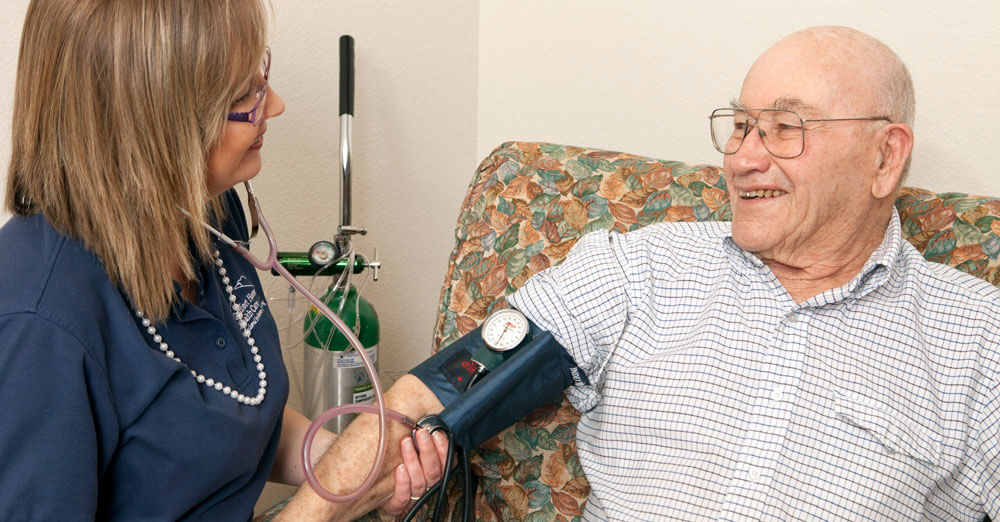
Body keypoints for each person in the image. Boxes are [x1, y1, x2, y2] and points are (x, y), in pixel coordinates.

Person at [280, 26, 1000, 521]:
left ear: (885, 157)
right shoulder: (639, 269)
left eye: (785, 128)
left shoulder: (978, 340)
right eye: (742, 126)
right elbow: (429, 396)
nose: (745, 157)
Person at [0, 0, 446, 519]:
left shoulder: (205, 210)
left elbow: (227, 421)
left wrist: (355, 465)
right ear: (150, 126)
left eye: (261, 76)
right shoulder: (39, 328)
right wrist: (320, 509)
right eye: (244, 95)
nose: (274, 104)